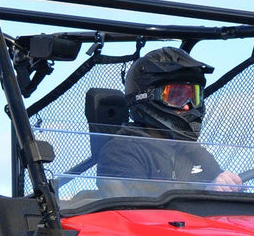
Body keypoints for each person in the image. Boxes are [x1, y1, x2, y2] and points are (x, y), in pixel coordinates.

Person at [96, 47, 242, 194]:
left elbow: (220, 190)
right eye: (176, 96)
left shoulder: (194, 153)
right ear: (146, 97)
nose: (187, 106)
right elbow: (137, 207)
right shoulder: (120, 152)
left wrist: (227, 185)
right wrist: (205, 195)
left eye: (194, 97)